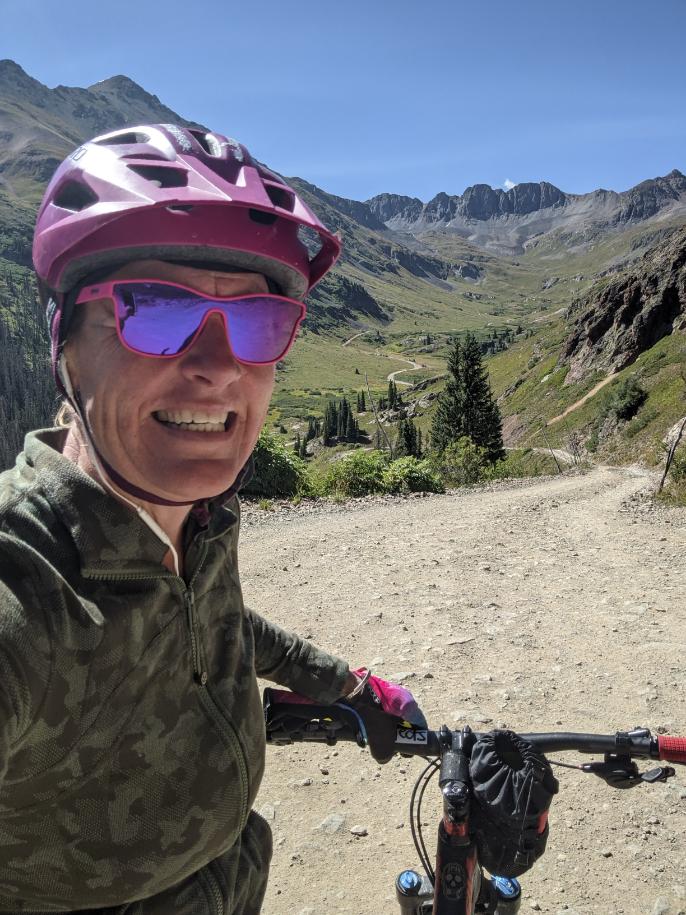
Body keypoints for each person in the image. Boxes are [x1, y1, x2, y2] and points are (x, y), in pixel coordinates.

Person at [0, 124, 426, 914]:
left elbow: (217, 619)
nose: (221, 366)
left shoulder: (195, 521)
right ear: (65, 342)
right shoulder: (26, 577)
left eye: (259, 321)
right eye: (157, 309)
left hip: (229, 881)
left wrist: (348, 685)